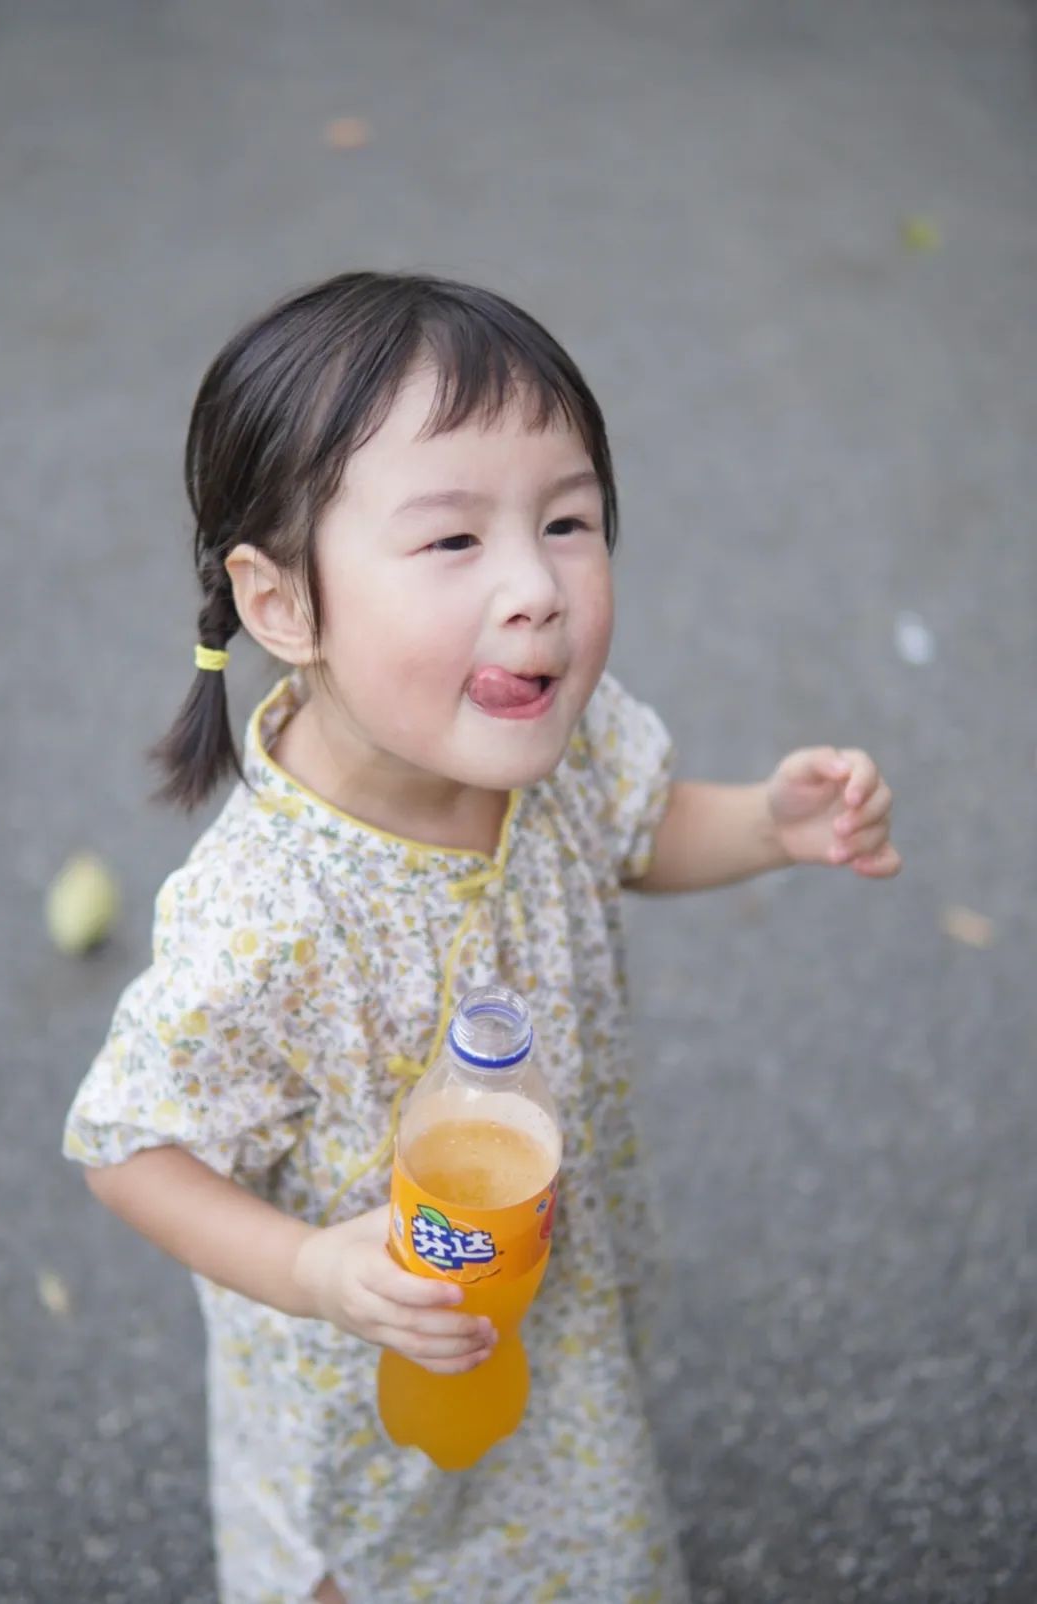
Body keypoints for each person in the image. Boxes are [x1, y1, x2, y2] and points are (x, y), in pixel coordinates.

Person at [63, 271, 900, 1604]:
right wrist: (315, 1271)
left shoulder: (550, 750)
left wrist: (765, 824)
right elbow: (130, 1146)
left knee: (567, 1520)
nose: (536, 588)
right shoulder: (266, 914)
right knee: (380, 1563)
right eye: (453, 542)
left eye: (567, 521)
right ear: (283, 605)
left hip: (542, 1300)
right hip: (369, 1358)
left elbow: (635, 827)